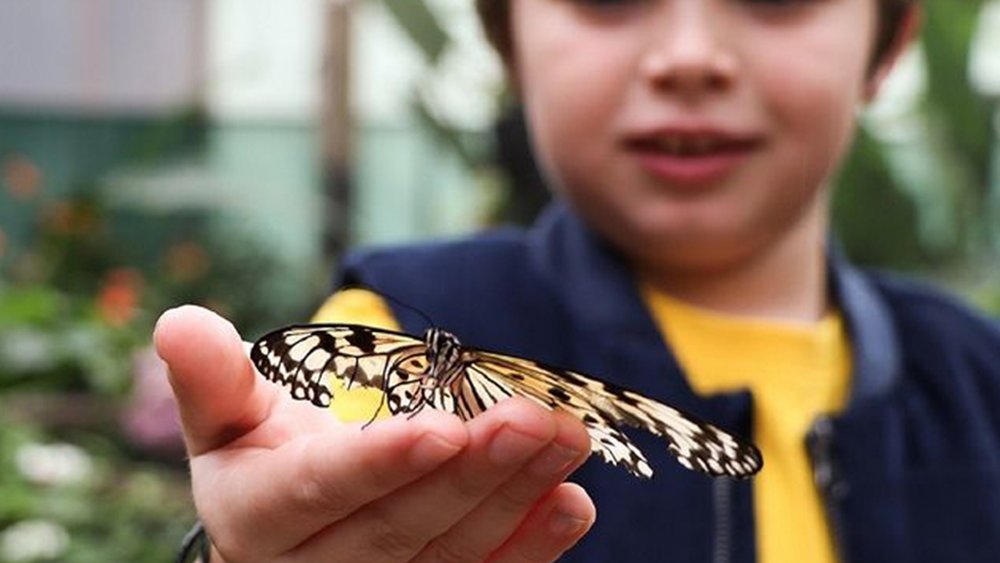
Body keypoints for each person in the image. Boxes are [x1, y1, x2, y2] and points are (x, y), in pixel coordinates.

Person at [154, 0, 1000, 561]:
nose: (689, 58)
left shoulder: (977, 374)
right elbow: (300, 477)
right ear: (508, 39)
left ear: (888, 42)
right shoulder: (390, 319)